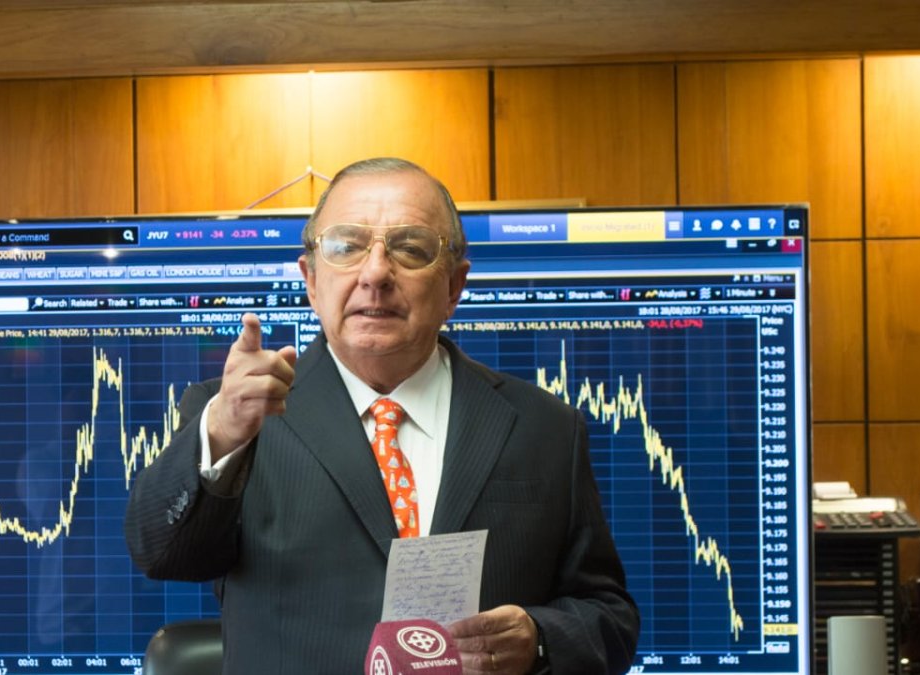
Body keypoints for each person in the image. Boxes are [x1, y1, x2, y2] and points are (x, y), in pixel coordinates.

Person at [124, 157, 640, 674]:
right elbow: (161, 555)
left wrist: (540, 640)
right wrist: (221, 432)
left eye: (410, 248)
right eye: (346, 247)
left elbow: (609, 617)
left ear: (454, 287)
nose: (375, 274)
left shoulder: (546, 427)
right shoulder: (236, 418)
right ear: (310, 280)